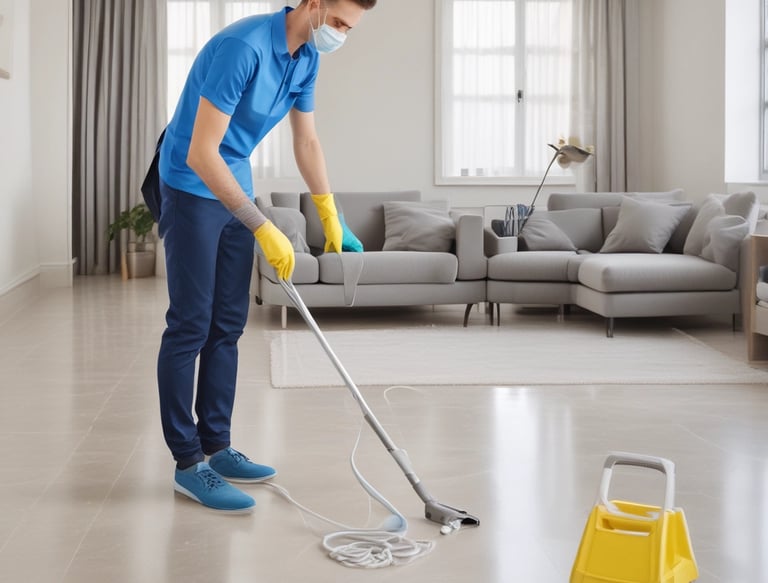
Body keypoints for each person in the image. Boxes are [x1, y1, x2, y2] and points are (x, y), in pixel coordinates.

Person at [155, 0, 376, 513]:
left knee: (227, 325)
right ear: (314, 4)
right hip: (191, 184)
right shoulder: (244, 48)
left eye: (350, 28)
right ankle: (188, 463)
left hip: (235, 182)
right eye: (338, 23)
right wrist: (262, 225)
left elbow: (307, 141)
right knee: (190, 325)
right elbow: (201, 152)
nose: (341, 35)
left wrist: (330, 212)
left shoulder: (306, 58)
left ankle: (217, 446)